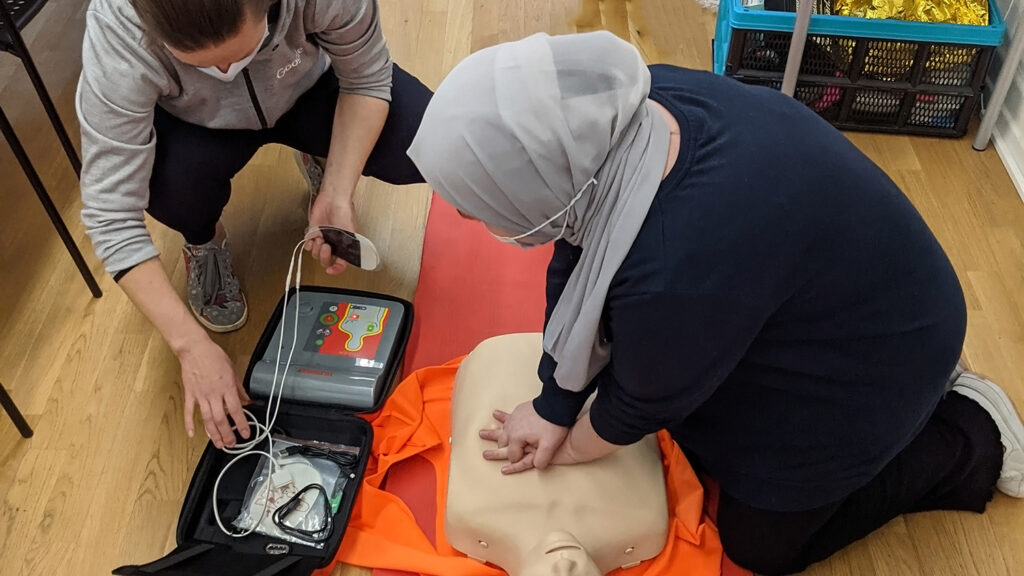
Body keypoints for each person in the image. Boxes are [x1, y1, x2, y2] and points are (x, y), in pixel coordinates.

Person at [407, 31, 1024, 575]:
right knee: (684, 414)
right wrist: (554, 400)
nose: (467, 215)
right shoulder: (629, 114)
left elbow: (633, 409)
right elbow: (578, 252)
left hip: (885, 348)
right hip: (848, 285)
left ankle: (973, 433)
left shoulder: (673, 269)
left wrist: (568, 444)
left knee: (763, 545)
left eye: (477, 203)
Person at [76, 0, 431, 449]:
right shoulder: (118, 32)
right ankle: (204, 240)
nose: (226, 71)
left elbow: (366, 78)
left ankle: (324, 155)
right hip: (199, 126)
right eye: (202, 66)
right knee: (166, 188)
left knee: (423, 139)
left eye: (244, 53)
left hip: (308, 86)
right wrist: (190, 345)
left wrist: (338, 191)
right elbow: (111, 213)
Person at [446, 333, 669, 576]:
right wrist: (564, 424)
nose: (564, 567)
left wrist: (561, 419)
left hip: (509, 354)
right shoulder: (643, 524)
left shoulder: (471, 515)